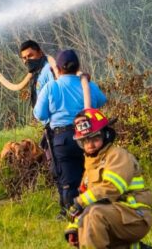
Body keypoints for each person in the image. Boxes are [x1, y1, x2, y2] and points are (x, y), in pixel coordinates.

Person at [64, 109, 152, 249]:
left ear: (106, 135)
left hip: (135, 217)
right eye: (85, 141)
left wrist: (79, 202)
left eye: (95, 138)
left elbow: (112, 187)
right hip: (114, 217)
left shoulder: (118, 156)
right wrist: (73, 228)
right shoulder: (90, 167)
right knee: (87, 228)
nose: (90, 145)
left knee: (94, 216)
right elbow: (84, 201)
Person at [34, 49, 107, 215]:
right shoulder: (87, 85)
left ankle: (71, 213)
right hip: (89, 135)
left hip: (63, 139)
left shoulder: (51, 87)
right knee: (91, 174)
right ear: (78, 67)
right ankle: (95, 210)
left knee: (67, 179)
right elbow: (102, 101)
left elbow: (40, 114)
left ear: (57, 69)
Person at [19, 39, 55, 107]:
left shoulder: (49, 69)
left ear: (40, 53)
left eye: (30, 56)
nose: (27, 60)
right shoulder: (36, 73)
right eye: (24, 58)